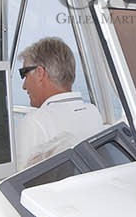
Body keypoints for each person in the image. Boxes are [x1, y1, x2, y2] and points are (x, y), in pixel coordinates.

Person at [15, 36, 101, 166]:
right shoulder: (93, 113)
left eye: (24, 75)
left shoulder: (34, 123)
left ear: (39, 73)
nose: (24, 86)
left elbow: (10, 182)